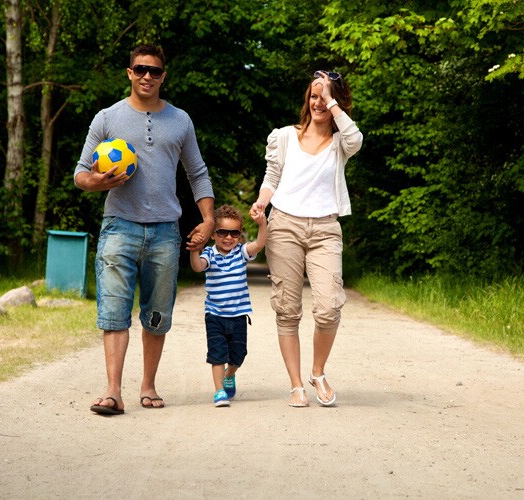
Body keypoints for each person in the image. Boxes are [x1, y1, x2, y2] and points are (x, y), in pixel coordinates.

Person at [74, 44, 215, 415]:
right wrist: (95, 183)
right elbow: (80, 172)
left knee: (156, 313)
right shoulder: (106, 118)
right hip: (119, 226)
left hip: (166, 230)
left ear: (163, 75)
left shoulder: (181, 120)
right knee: (114, 309)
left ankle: (148, 385)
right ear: (129, 73)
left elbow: (196, 172)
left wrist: (209, 218)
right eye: (140, 69)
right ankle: (112, 391)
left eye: (154, 71)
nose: (147, 76)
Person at [250, 70, 363, 407]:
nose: (318, 102)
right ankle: (296, 384)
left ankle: (318, 372)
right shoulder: (284, 136)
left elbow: (356, 138)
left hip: (326, 230)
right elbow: (272, 176)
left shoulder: (342, 142)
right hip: (283, 225)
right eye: (313, 96)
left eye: (325, 97)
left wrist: (331, 99)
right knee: (287, 310)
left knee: (328, 307)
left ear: (336, 102)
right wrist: (260, 203)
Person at [190, 205, 267, 407]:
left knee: (238, 355)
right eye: (223, 232)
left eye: (234, 233)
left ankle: (229, 375)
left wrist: (262, 223)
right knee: (217, 354)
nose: (228, 237)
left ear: (240, 235)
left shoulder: (241, 252)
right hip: (214, 315)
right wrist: (195, 250)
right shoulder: (209, 253)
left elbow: (259, 244)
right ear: (214, 234)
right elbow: (198, 267)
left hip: (239, 315)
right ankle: (219, 392)